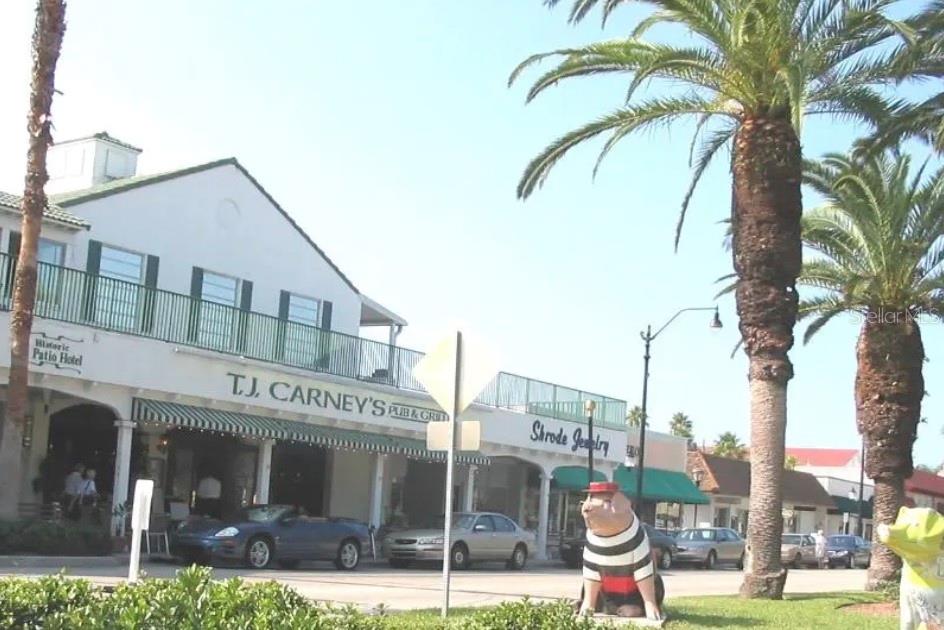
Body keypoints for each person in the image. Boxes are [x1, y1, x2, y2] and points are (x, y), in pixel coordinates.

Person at [578, 481, 665, 621]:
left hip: (633, 593)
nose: (588, 507)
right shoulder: (592, 539)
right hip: (607, 594)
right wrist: (588, 602)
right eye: (589, 499)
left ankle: (644, 605)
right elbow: (591, 571)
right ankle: (592, 603)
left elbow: (644, 570)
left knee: (653, 580)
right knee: (589, 580)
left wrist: (650, 602)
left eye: (605, 501)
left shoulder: (636, 537)